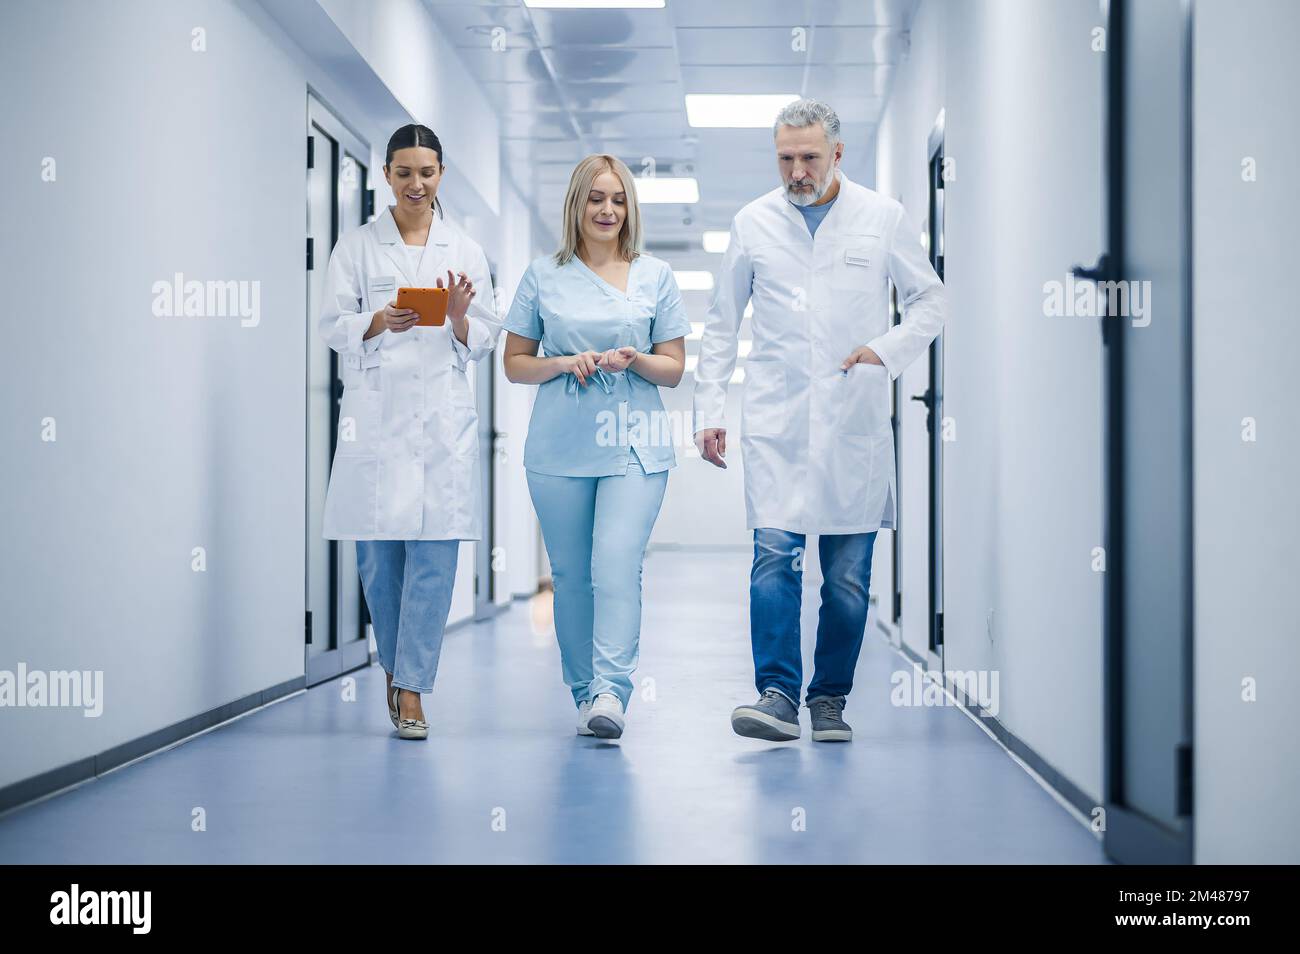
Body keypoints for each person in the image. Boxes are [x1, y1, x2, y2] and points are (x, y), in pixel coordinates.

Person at [693, 99, 947, 743]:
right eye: (785, 158)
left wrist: (882, 352)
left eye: (809, 157)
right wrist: (711, 411)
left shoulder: (881, 217)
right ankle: (776, 695)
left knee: (847, 577)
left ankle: (829, 697)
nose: (797, 171)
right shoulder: (754, 222)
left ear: (838, 153)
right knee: (774, 558)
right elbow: (722, 323)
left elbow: (930, 299)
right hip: (777, 421)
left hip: (851, 418)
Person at [318, 124, 501, 740]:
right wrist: (375, 321)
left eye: (427, 172)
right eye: (404, 172)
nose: (416, 184)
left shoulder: (466, 251)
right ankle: (398, 674)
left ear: (441, 174)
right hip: (377, 420)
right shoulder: (358, 247)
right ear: (386, 175)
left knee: (435, 558)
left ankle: (414, 690)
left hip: (440, 428)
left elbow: (487, 339)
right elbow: (329, 324)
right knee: (380, 563)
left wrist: (456, 320)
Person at [502, 155, 690, 740]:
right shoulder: (542, 275)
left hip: (635, 445)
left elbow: (674, 368)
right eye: (595, 198)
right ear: (576, 205)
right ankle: (584, 692)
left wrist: (637, 359)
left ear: (629, 208)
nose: (607, 210)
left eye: (617, 199)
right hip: (560, 445)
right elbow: (514, 365)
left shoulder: (655, 275)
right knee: (571, 574)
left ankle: (611, 690)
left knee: (615, 563)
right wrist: (562, 362)